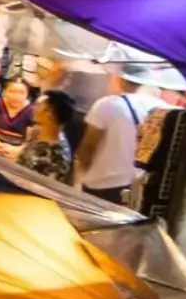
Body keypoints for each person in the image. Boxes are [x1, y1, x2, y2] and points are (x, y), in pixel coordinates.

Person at [73, 70, 152, 204]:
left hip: (101, 185)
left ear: (121, 79)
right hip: (137, 186)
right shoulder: (159, 107)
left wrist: (83, 173)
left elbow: (89, 145)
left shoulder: (107, 104)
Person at [17, 89, 81, 185]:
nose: (33, 108)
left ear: (50, 114)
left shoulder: (57, 155)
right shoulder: (36, 133)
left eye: (38, 105)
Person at [0, 77, 36, 156]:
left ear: (27, 95)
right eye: (12, 91)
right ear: (4, 92)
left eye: (21, 93)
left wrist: (16, 150)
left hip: (18, 147)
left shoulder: (32, 111)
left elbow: (29, 141)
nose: (16, 96)